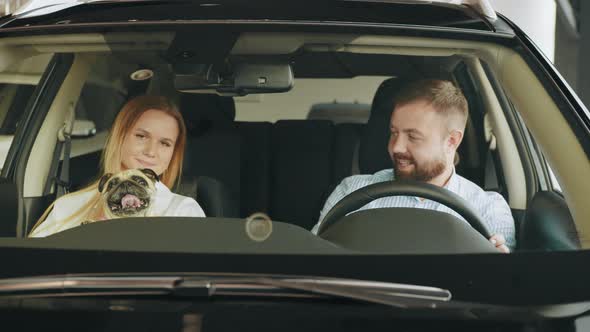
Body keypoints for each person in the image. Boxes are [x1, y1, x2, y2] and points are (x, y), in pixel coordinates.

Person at [311, 79, 515, 253]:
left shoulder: (487, 209)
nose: (396, 147)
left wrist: (497, 265)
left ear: (452, 141)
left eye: (413, 136)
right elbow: (312, 261)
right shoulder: (351, 191)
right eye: (394, 132)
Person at [29, 95, 205, 237]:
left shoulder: (183, 210)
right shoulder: (70, 206)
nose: (151, 151)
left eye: (165, 143)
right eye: (141, 136)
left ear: (174, 153)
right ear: (119, 136)